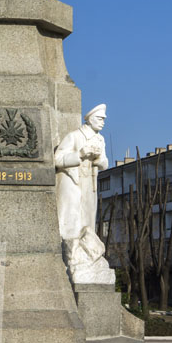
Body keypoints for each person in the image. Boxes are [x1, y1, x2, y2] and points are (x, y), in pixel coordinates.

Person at [54, 104, 113, 283]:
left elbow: (105, 165)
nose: (103, 122)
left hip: (89, 184)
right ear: (89, 119)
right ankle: (70, 256)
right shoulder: (74, 136)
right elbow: (57, 159)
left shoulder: (100, 139)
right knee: (71, 221)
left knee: (87, 221)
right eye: (100, 118)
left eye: (104, 119)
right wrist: (80, 154)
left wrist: (98, 158)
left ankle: (86, 256)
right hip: (73, 184)